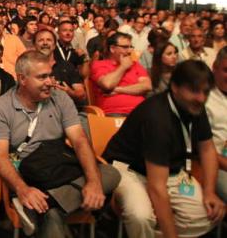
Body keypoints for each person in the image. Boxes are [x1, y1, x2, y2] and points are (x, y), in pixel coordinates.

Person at [0, 51, 120, 237]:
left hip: (60, 169)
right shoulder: (1, 108)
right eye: (42, 77)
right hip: (30, 175)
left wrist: (94, 182)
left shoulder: (60, 98)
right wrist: (22, 190)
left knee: (110, 173)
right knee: (53, 218)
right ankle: (51, 209)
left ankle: (46, 207)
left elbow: (79, 140)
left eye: (50, 75)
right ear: (22, 79)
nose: (50, 82)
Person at [103, 60, 225, 238]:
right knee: (141, 217)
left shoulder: (195, 106)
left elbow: (207, 150)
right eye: (194, 90)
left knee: (208, 216)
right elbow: (157, 187)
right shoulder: (157, 118)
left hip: (170, 170)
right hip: (128, 170)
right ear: (175, 87)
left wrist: (209, 192)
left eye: (205, 92)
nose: (201, 98)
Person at [90, 32, 151, 115]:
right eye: (125, 47)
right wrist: (123, 67)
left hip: (141, 112)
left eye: (131, 47)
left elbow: (147, 86)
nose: (130, 51)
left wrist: (118, 89)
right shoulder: (99, 65)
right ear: (112, 48)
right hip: (115, 113)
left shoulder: (136, 65)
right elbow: (107, 84)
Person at [34, 29, 86, 107]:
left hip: (67, 111)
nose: (45, 43)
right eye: (41, 40)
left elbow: (81, 94)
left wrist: (69, 92)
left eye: (49, 40)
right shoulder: (29, 68)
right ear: (34, 45)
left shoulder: (67, 66)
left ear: (54, 45)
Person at [206, 46, 227, 203]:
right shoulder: (203, 99)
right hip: (217, 165)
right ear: (214, 67)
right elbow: (202, 148)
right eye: (226, 70)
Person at [0, 12, 26, 80]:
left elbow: (26, 60)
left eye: (0, 23)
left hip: (14, 81)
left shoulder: (14, 39)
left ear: (3, 25)